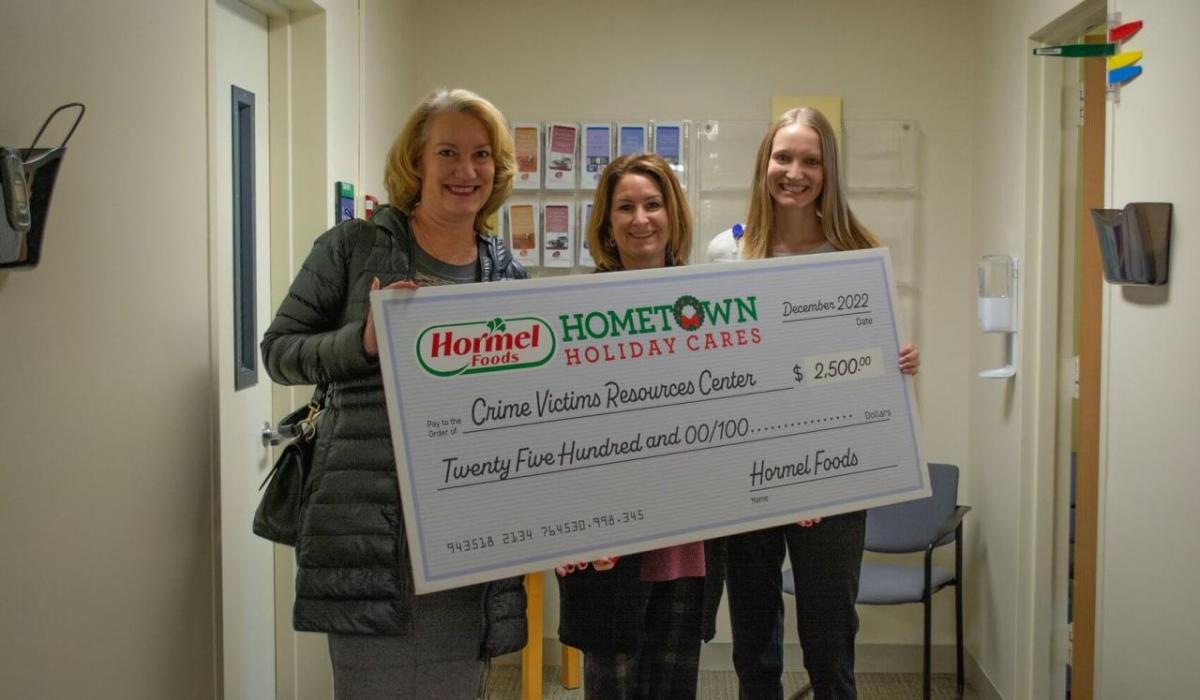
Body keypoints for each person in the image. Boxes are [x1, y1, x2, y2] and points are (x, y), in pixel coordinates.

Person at [261, 88, 528, 699]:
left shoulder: (506, 271)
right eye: (448, 152)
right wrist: (365, 341)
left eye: (482, 154)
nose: (466, 171)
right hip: (371, 536)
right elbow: (278, 352)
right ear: (417, 162)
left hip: (466, 540)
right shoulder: (351, 248)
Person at [707, 107, 920, 700]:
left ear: (829, 172)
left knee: (830, 644)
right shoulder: (726, 252)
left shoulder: (858, 252)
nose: (794, 172)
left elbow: (863, 369)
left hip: (834, 474)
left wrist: (896, 365)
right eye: (783, 157)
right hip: (748, 472)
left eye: (810, 160)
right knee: (754, 643)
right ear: (763, 164)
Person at [556, 153, 726, 700]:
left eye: (653, 205)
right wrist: (564, 526)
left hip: (688, 541)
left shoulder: (710, 308)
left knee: (675, 688)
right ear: (606, 223)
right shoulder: (573, 310)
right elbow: (554, 425)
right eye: (624, 207)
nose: (640, 218)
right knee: (612, 687)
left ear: (672, 215)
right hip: (605, 541)